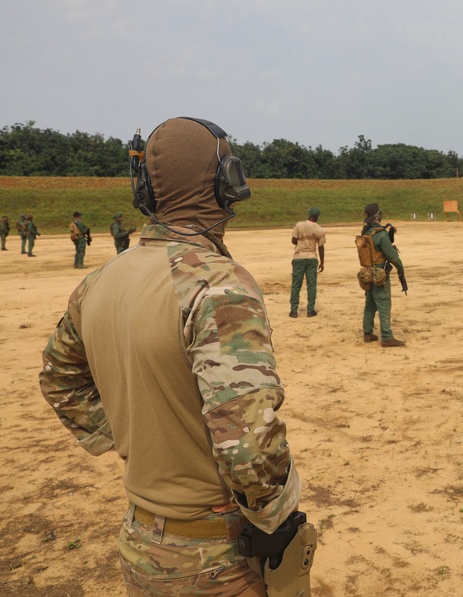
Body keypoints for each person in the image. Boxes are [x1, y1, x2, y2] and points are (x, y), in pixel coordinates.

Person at [39, 117, 301, 596]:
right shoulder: (218, 285)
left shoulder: (99, 281)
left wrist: (137, 438)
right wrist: (276, 513)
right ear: (226, 183)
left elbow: (59, 381)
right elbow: (247, 446)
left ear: (146, 189)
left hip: (140, 541)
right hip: (217, 556)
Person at [356, 203, 406, 347]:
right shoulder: (381, 234)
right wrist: (400, 268)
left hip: (367, 273)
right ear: (377, 216)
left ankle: (367, 332)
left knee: (370, 304)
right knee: (384, 304)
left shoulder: (365, 233)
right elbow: (392, 256)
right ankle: (386, 336)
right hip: (379, 274)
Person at [289, 206, 325, 318]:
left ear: (309, 214)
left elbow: (293, 241)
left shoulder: (299, 226)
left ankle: (294, 311)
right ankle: (310, 310)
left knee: (296, 285)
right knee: (311, 284)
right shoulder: (319, 229)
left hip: (299, 257)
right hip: (312, 257)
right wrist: (322, 262)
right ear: (317, 217)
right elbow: (321, 247)